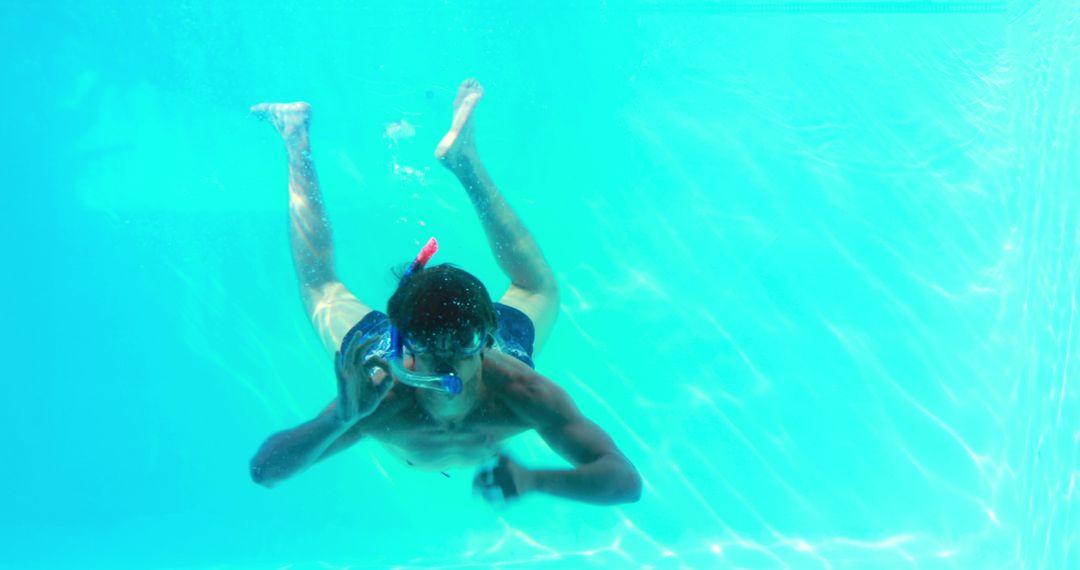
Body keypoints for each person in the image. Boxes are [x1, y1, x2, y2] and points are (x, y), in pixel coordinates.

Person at [248, 79, 641, 505]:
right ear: (402, 340)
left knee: (537, 287)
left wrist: (534, 480)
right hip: (401, 342)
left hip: (450, 333)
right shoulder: (377, 397)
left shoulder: (522, 394)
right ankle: (296, 138)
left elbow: (624, 482)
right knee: (320, 286)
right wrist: (341, 419)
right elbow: (265, 472)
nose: (445, 356)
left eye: (462, 342)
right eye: (428, 343)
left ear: (488, 338)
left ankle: (465, 161)